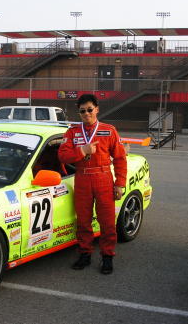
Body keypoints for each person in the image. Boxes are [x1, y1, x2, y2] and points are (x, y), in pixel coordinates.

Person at [58, 94, 127, 274]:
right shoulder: (72, 132)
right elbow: (62, 156)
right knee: (83, 221)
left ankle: (107, 256)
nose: (86, 113)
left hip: (103, 178)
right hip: (82, 178)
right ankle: (85, 254)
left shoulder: (109, 130)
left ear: (96, 109)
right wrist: (82, 150)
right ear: (79, 112)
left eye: (90, 109)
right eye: (82, 111)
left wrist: (119, 184)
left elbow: (120, 158)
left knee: (107, 221)